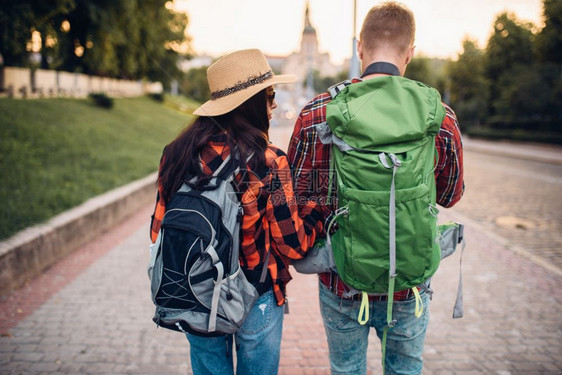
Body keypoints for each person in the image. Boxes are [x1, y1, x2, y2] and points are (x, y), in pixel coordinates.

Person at [287, 2, 464, 375]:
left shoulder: (318, 113)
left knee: (346, 369)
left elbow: (296, 199)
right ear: (409, 53)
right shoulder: (439, 116)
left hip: (342, 280)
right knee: (404, 369)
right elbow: (450, 195)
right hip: (410, 283)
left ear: (360, 49)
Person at [150, 49, 325, 375]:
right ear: (252, 103)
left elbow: (158, 230)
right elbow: (293, 245)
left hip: (194, 292)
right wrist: (316, 209)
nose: (273, 105)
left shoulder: (175, 153)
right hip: (254, 296)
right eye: (269, 96)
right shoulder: (269, 160)